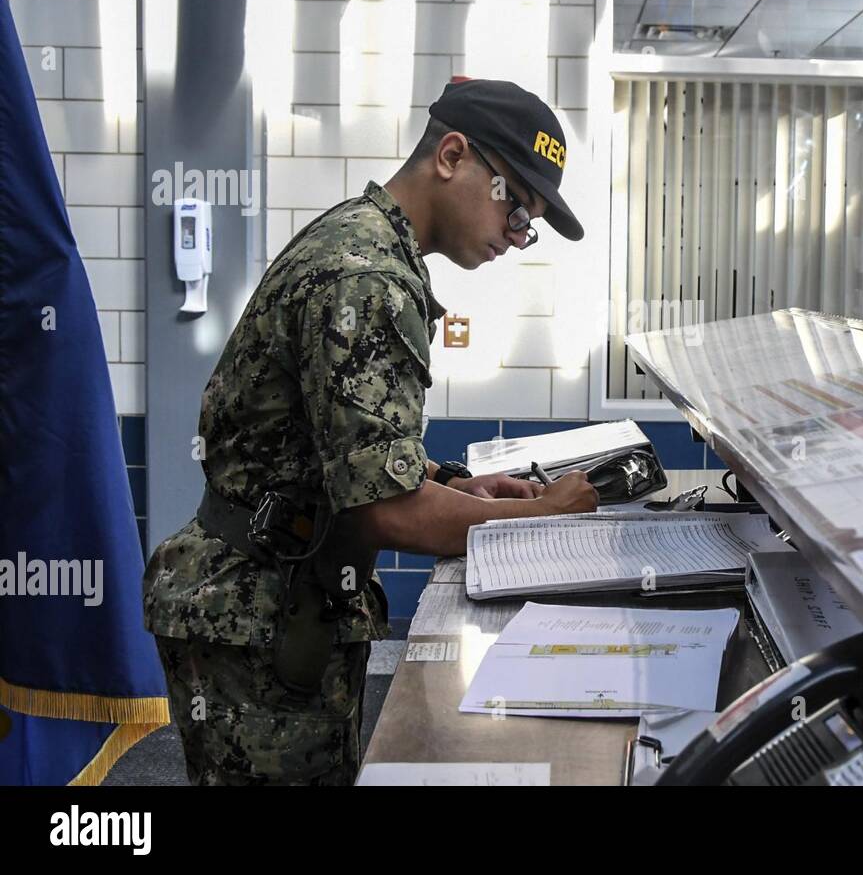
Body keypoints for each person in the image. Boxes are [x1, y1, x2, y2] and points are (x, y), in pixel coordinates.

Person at [143, 79, 599, 785]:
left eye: (528, 225)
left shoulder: (369, 243)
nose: (516, 237)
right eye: (517, 209)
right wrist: (542, 515)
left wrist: (457, 486)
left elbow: (349, 451)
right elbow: (384, 508)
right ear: (452, 155)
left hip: (279, 591)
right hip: (257, 605)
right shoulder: (366, 276)